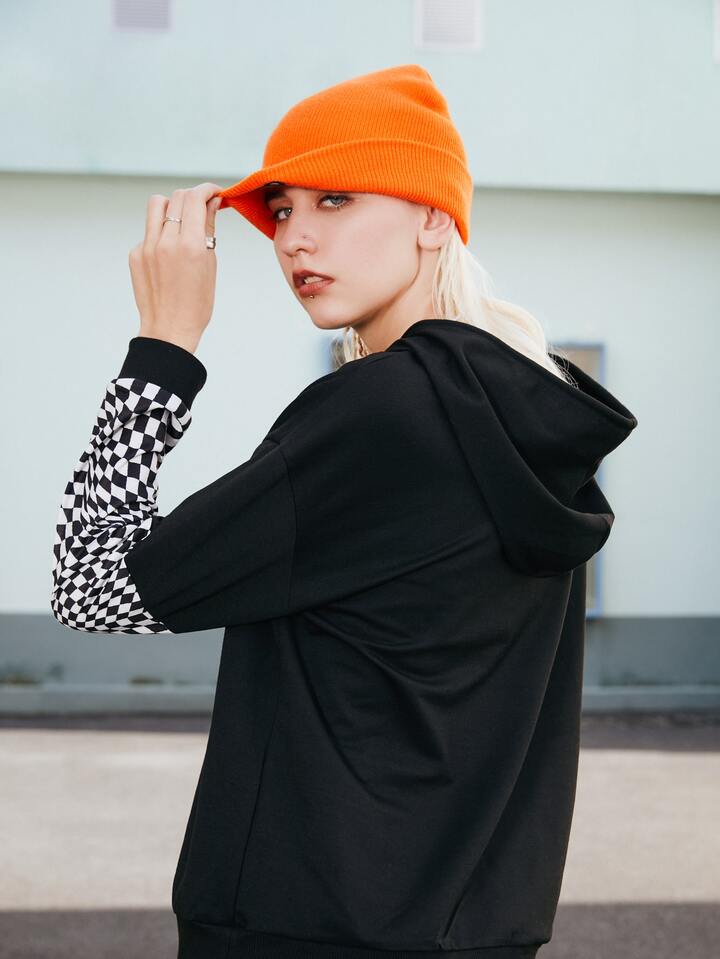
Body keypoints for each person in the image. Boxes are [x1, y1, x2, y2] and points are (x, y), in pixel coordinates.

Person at [50, 64, 638, 958]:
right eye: (281, 210)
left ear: (435, 218)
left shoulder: (378, 415)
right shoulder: (529, 422)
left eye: (336, 199)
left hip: (300, 922)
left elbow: (92, 584)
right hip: (479, 929)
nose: (295, 238)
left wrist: (163, 345)